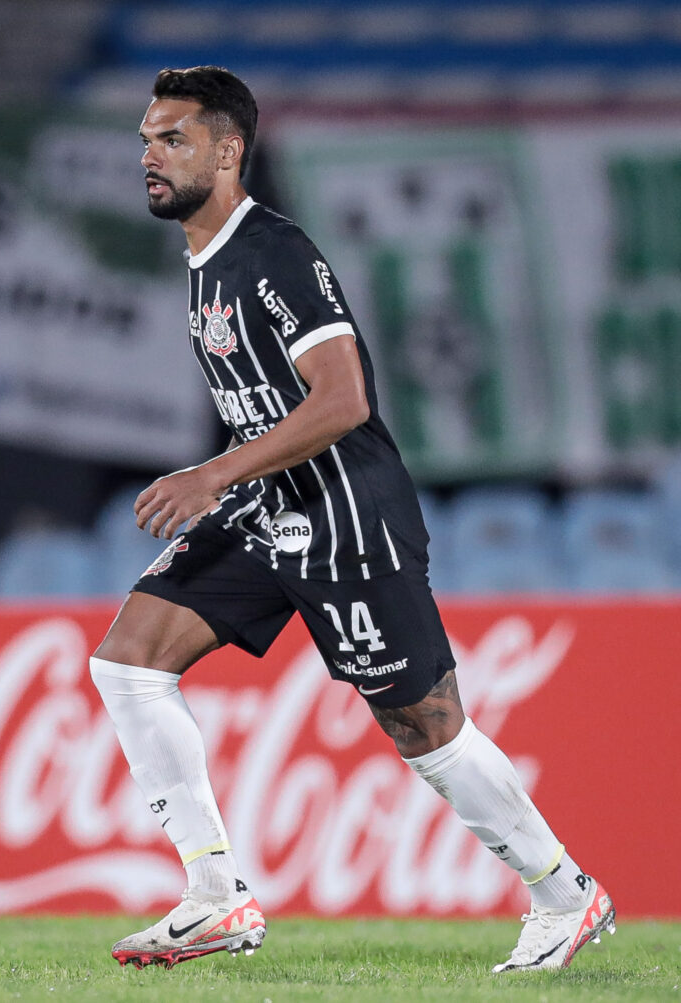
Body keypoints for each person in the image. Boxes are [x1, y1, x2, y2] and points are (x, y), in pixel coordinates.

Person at [90, 65, 615, 973]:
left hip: (347, 513)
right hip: (272, 507)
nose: (151, 155)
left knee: (425, 726)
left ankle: (566, 894)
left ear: (228, 150)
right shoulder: (206, 262)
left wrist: (214, 472)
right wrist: (236, 481)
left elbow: (343, 400)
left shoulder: (275, 253)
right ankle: (215, 897)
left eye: (173, 139)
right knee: (128, 660)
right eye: (146, 138)